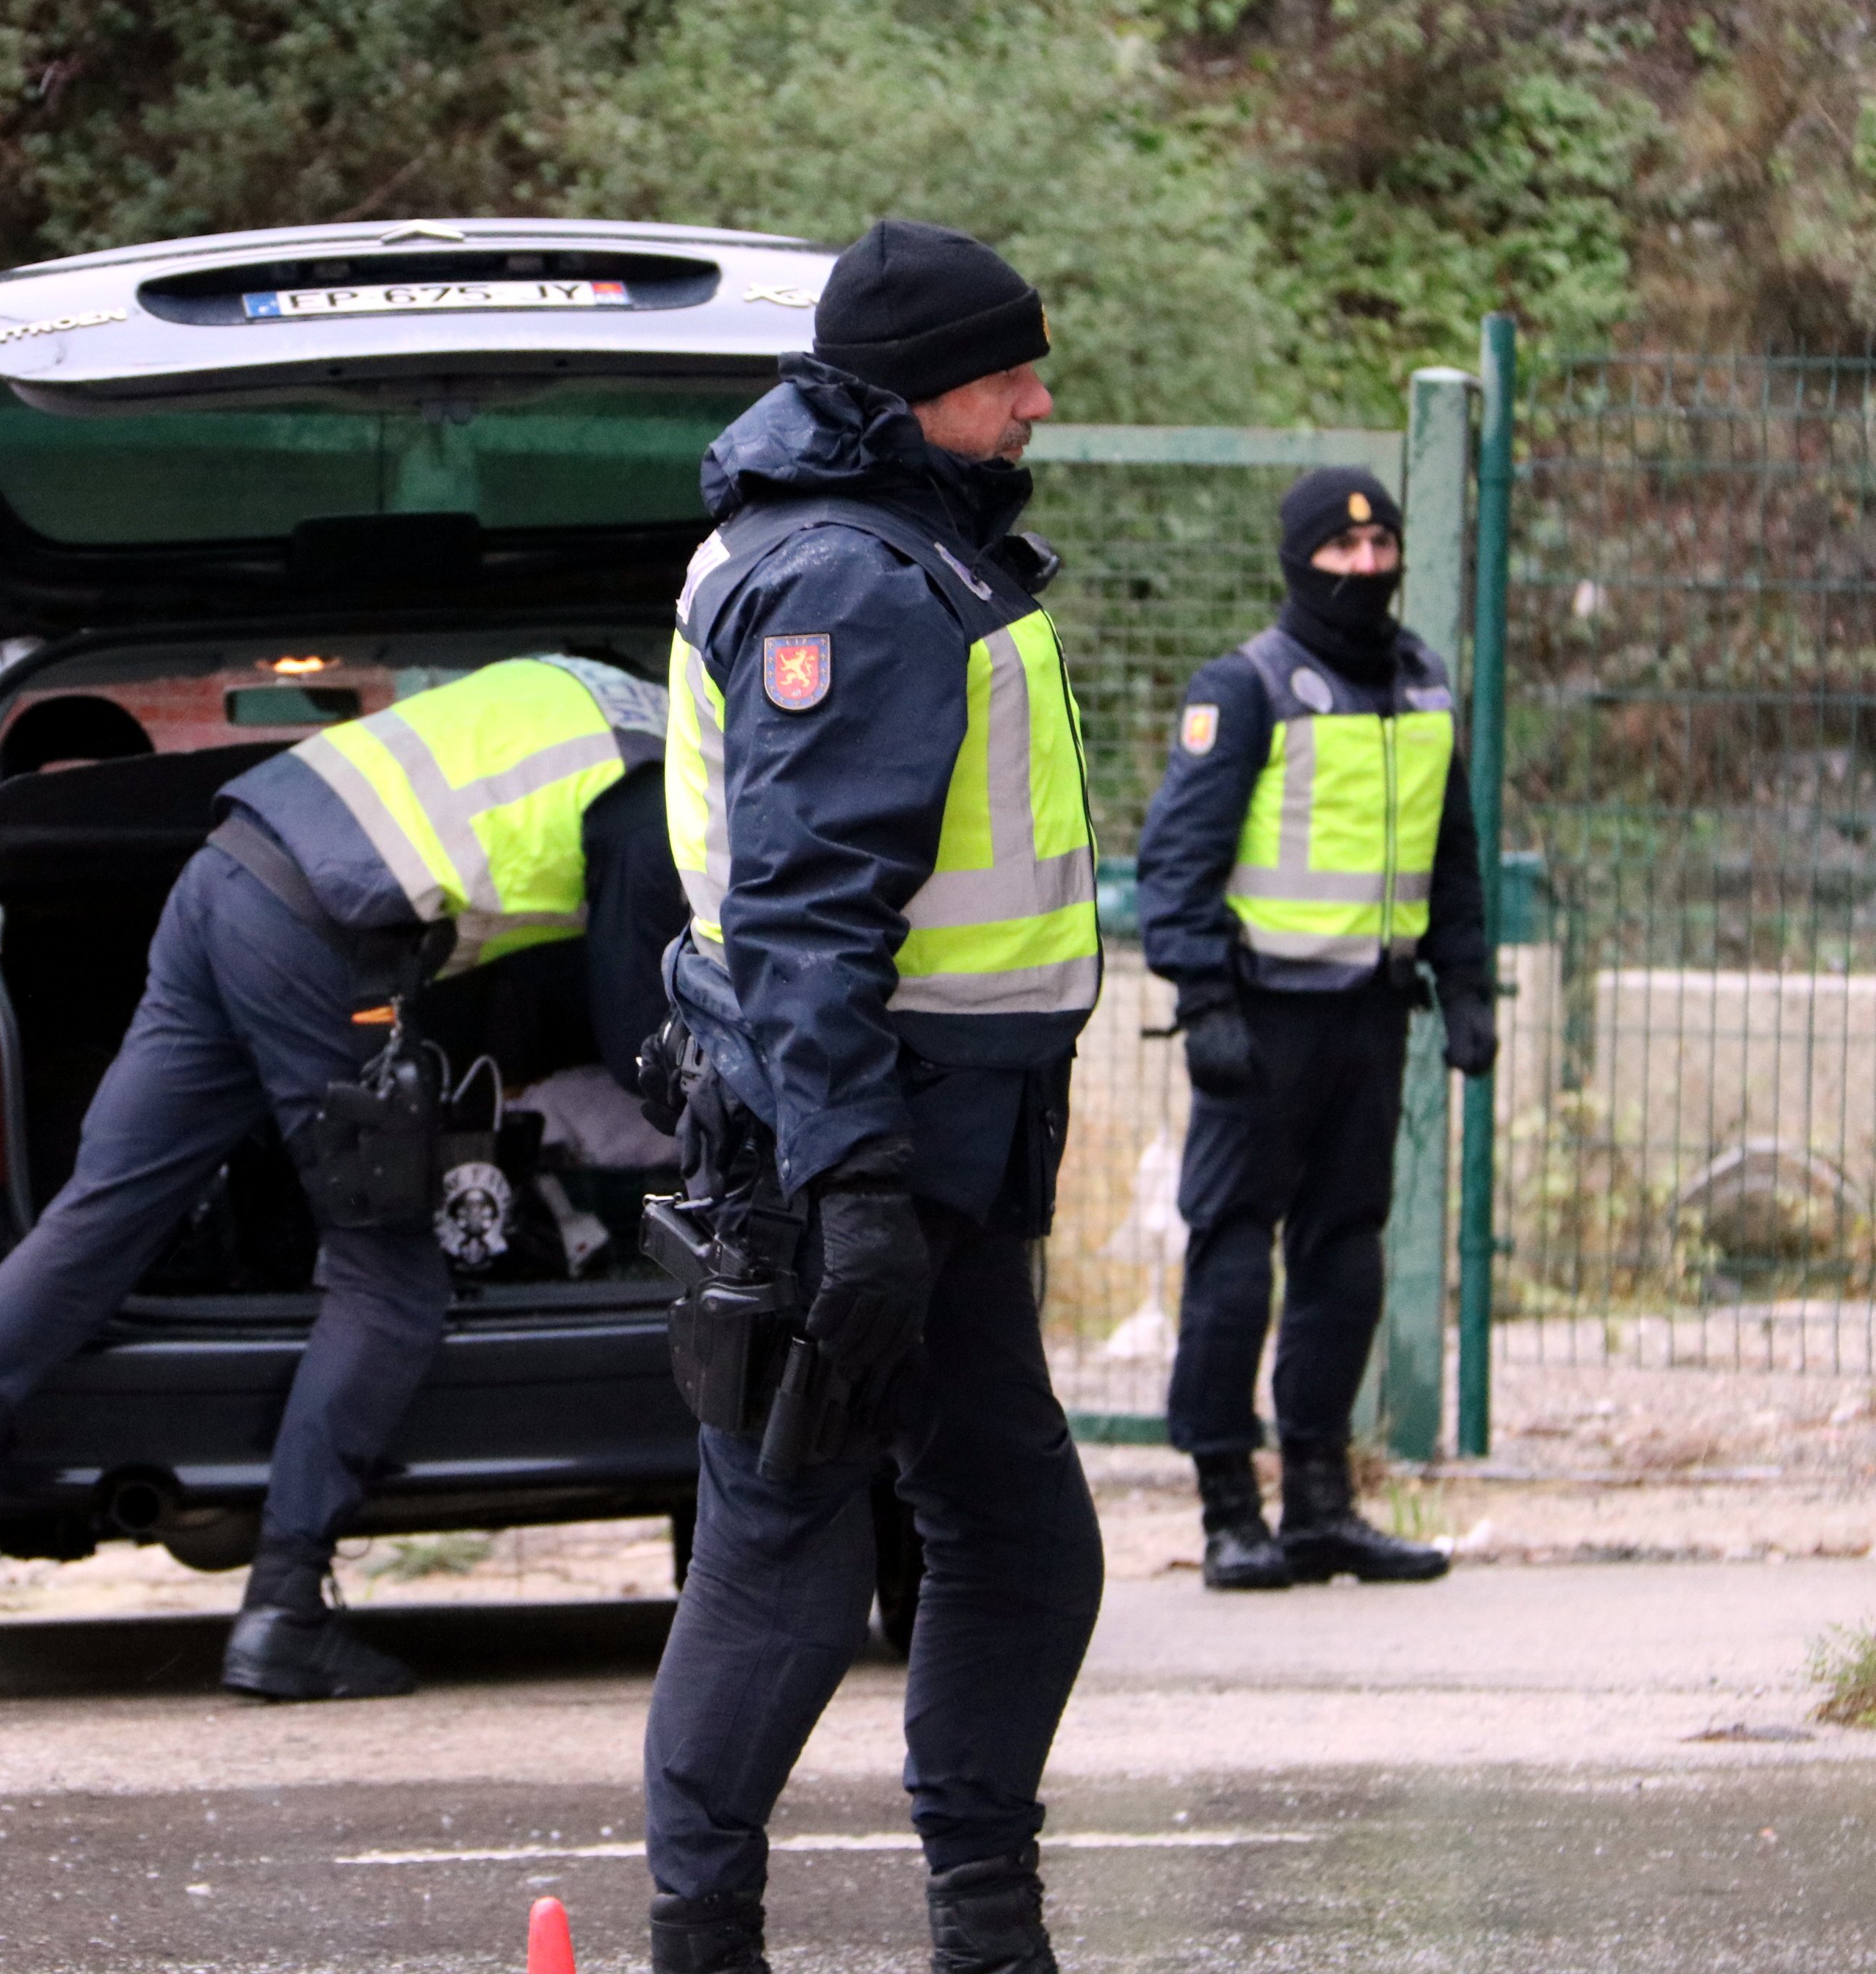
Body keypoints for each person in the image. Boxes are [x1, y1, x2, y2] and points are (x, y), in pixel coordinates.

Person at [0, 654, 687, 1701]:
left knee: (105, 1215)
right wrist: (702, 1127)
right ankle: (283, 1611)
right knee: (390, 1277)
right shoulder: (662, 781)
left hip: (225, 876)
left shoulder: (600, 688)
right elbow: (637, 1017)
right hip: (327, 936)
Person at [641, 219, 1105, 1974]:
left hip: (935, 1148)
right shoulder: (850, 575)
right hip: (854, 1145)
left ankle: (988, 1934)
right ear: (917, 395)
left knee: (1018, 1545)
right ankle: (706, 1942)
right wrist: (848, 1194)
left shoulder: (910, 547)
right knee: (786, 1562)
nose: (1038, 404)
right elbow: (809, 919)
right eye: (1010, 379)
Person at [1134, 468, 1492, 1591]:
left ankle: (1323, 1507)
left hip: (1374, 1016)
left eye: (1382, 548)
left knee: (1346, 1260)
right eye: (1340, 553)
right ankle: (1229, 1511)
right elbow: (1176, 865)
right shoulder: (1246, 688)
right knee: (1235, 1260)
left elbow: (1455, 856)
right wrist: (1202, 1001)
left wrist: (1468, 984)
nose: (1364, 568)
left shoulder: (1426, 684)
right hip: (1263, 1018)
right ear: (1298, 560)